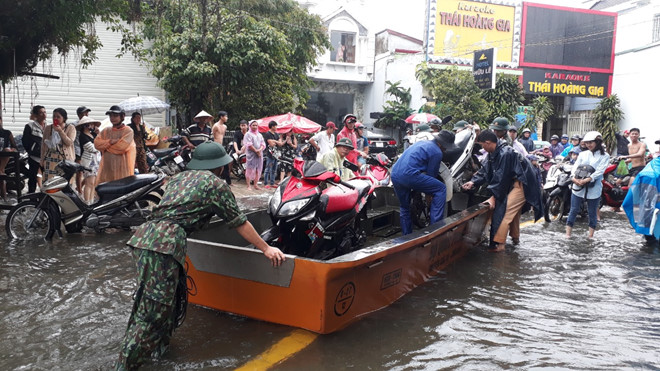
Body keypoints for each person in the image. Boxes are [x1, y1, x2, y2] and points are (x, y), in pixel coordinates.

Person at [115, 141, 285, 370]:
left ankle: (157, 355)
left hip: (145, 239)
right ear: (219, 166)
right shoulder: (216, 185)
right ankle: (125, 365)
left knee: (160, 303)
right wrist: (266, 248)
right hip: (164, 245)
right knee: (153, 313)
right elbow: (239, 222)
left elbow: (184, 211)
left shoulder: (178, 179)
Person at [462, 130, 543, 251]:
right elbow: (485, 171)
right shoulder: (494, 152)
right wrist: (473, 181)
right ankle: (515, 239)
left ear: (488, 143)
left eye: (482, 145)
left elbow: (501, 178)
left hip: (523, 184)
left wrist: (493, 197)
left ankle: (499, 245)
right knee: (514, 212)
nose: (482, 148)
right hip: (514, 182)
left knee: (505, 211)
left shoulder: (505, 153)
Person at [391, 130, 456, 235]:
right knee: (440, 188)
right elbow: (431, 175)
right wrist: (429, 197)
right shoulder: (437, 152)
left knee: (404, 207)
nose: (446, 149)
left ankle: (406, 237)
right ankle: (435, 230)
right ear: (443, 144)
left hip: (395, 174)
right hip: (409, 175)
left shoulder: (421, 143)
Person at [565, 131, 610, 238]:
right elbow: (575, 166)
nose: (589, 145)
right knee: (574, 210)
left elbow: (600, 171)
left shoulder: (605, 156)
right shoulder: (583, 154)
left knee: (592, 212)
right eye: (587, 143)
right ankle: (567, 234)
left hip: (594, 187)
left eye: (591, 142)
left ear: (597, 142)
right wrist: (573, 178)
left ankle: (590, 236)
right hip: (577, 185)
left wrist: (587, 180)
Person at [94, 105, 136, 184]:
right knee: (106, 191)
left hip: (122, 168)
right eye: (111, 116)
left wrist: (105, 146)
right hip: (107, 168)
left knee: (122, 191)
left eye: (115, 116)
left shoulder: (128, 131)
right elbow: (97, 144)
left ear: (122, 116)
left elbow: (122, 147)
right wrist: (110, 142)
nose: (112, 118)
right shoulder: (106, 130)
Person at [41, 108, 77, 183]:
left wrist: (60, 131)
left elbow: (69, 142)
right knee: (49, 181)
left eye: (58, 117)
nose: (55, 118)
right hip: (50, 158)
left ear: (64, 118)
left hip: (64, 159)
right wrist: (42, 159)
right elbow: (43, 145)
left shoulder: (70, 128)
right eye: (54, 116)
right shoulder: (48, 128)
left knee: (62, 181)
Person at [76, 116, 101, 203]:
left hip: (95, 161)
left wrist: (98, 134)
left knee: (93, 183)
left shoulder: (93, 134)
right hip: (88, 162)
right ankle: (87, 202)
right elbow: (93, 148)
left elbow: (99, 144)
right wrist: (101, 145)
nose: (92, 126)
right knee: (89, 183)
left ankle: (91, 201)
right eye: (89, 124)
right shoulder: (83, 136)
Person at [22, 105, 46, 193]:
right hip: (34, 157)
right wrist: (31, 151)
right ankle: (32, 196)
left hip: (45, 156)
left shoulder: (48, 126)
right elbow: (25, 141)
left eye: (45, 112)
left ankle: (45, 196)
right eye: (41, 113)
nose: (44, 114)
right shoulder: (30, 126)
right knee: (33, 177)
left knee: (46, 177)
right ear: (36, 115)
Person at [243, 120, 265, 190]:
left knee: (258, 169)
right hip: (251, 154)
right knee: (249, 169)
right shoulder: (248, 134)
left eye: (256, 125)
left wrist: (259, 150)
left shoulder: (259, 135)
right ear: (250, 126)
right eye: (253, 125)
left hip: (259, 154)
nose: (255, 127)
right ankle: (248, 185)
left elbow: (263, 144)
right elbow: (248, 144)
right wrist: (256, 150)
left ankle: (255, 184)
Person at [0, 116, 18, 200]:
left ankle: (4, 197)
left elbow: (14, 146)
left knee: (6, 150)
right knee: (1, 174)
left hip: (4, 157)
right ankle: (4, 197)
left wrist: (12, 149)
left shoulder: (7, 133)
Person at [74, 106, 91, 192]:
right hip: (78, 149)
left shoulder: (90, 123)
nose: (87, 114)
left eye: (87, 112)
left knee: (90, 170)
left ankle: (79, 186)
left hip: (87, 150)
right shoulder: (74, 124)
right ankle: (80, 190)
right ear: (79, 114)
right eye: (85, 113)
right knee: (79, 171)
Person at [212, 110, 232, 185]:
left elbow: (222, 137)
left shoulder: (225, 126)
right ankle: (216, 178)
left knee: (226, 163)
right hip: (216, 146)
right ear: (221, 117)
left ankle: (228, 180)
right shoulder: (215, 126)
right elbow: (213, 137)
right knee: (218, 164)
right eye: (226, 116)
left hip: (221, 146)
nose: (227, 118)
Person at [262, 121, 282, 189]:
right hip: (270, 155)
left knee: (274, 170)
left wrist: (275, 141)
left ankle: (272, 183)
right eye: (276, 126)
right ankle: (265, 183)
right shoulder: (267, 134)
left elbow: (280, 143)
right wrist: (276, 141)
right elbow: (270, 143)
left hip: (276, 154)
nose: (276, 127)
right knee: (268, 169)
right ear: (272, 126)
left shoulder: (276, 134)